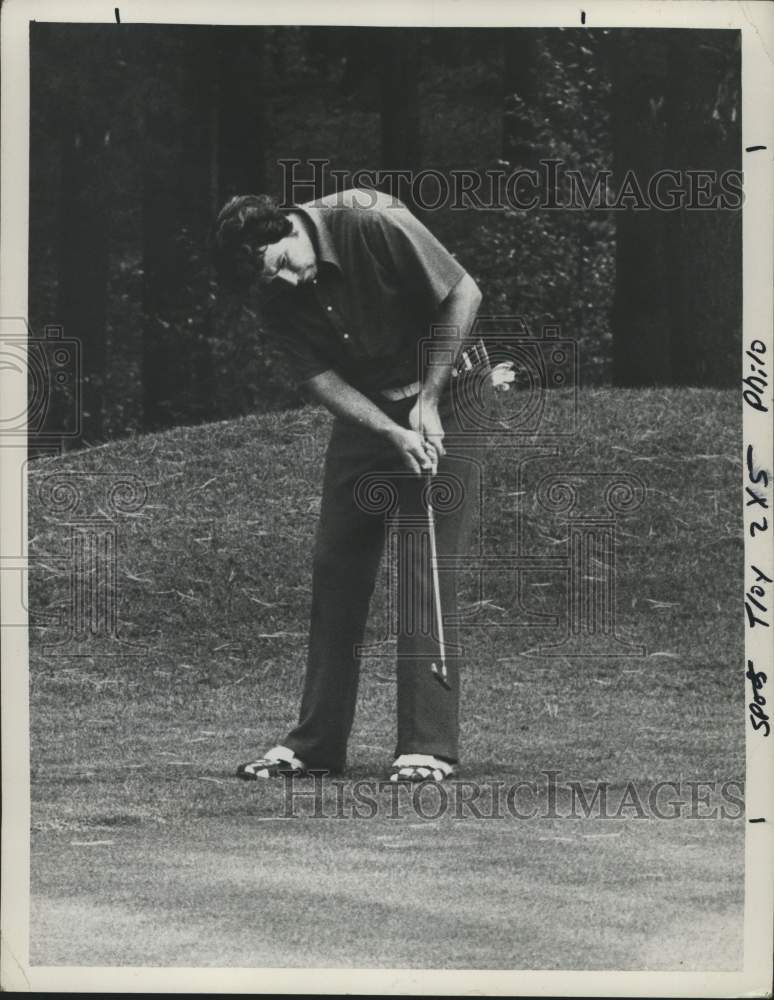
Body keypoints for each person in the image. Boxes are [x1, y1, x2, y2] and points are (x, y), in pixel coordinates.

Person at [213, 187, 482, 783]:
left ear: (289, 227)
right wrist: (389, 429)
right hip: (369, 411)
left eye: (282, 262)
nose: (284, 281)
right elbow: (320, 379)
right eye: (268, 278)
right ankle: (316, 745)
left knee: (422, 563)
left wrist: (429, 402)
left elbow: (464, 293)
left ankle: (426, 747)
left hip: (451, 395)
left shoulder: (369, 216)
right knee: (338, 562)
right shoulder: (271, 291)